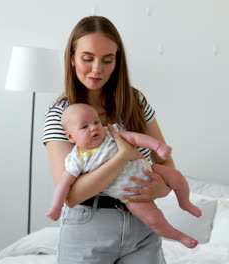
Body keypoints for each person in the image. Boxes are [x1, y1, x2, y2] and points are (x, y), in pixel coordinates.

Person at [43, 15, 186, 263]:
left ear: (117, 63)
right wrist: (122, 157)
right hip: (89, 226)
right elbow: (71, 195)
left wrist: (159, 188)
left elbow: (167, 167)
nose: (97, 69)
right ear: (72, 59)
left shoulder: (135, 102)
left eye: (107, 60)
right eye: (88, 59)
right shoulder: (60, 114)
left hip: (142, 225)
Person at [46, 104, 201, 248]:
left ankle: (185, 202)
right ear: (71, 137)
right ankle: (179, 236)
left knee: (176, 176)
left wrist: (158, 147)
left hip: (151, 170)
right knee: (154, 220)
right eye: (85, 126)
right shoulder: (77, 159)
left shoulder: (110, 133)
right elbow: (64, 185)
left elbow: (135, 138)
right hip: (130, 196)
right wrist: (56, 207)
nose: (93, 128)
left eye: (96, 122)